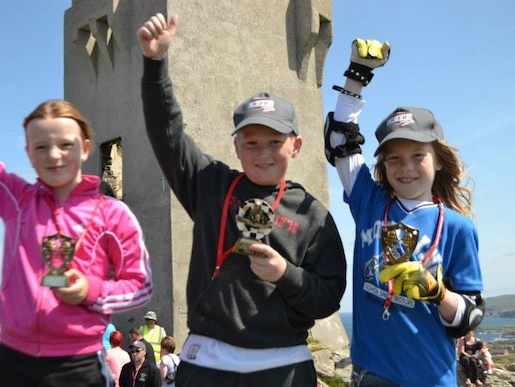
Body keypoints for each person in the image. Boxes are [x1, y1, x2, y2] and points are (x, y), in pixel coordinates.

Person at [137, 13, 346, 387]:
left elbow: (328, 298)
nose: (263, 153)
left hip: (283, 365)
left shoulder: (312, 214)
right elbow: (168, 133)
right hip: (208, 362)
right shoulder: (210, 184)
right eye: (251, 142)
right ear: (236, 145)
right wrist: (155, 65)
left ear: (296, 146)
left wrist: (285, 274)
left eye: (274, 142)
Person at [0, 41, 153, 387]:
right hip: (11, 360)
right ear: (28, 152)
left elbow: (141, 285)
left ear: (84, 148)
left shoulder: (114, 214)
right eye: (41, 147)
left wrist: (90, 290)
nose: (54, 155)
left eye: (65, 144)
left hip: (77, 366)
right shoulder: (16, 199)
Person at [324, 38, 485, 386]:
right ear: (382, 164)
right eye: (393, 158)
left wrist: (438, 293)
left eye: (417, 155)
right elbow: (339, 140)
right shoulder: (370, 200)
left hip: (431, 377)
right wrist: (357, 74)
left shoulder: (458, 228)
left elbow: (470, 317)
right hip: (372, 376)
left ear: (439, 160)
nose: (405, 167)